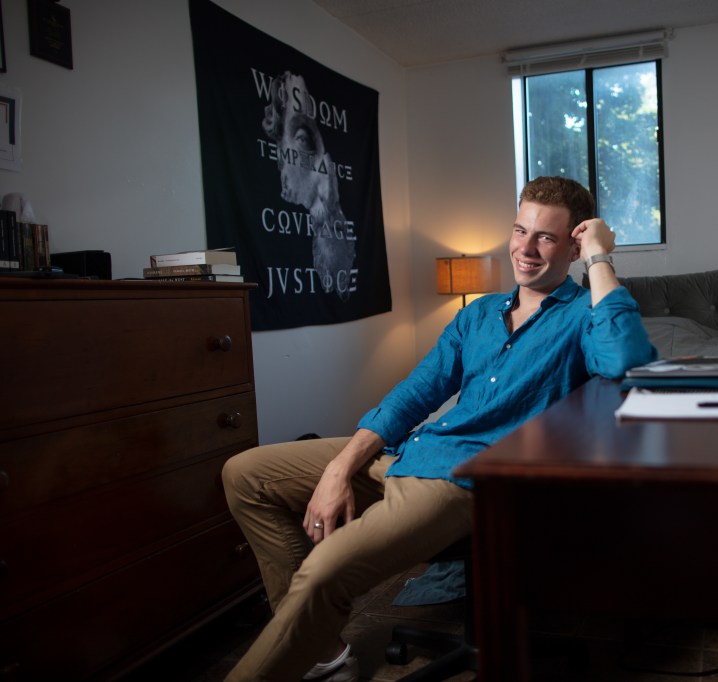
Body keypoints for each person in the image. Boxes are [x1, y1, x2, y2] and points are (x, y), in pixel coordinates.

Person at [222, 176, 657, 681]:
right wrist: (341, 466)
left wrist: (600, 260)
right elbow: (413, 395)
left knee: (325, 572)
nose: (526, 249)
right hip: (414, 453)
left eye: (546, 238)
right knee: (245, 474)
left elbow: (626, 362)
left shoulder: (587, 315)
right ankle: (321, 651)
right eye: (521, 231)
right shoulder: (477, 315)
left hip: (466, 480)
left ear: (574, 245)